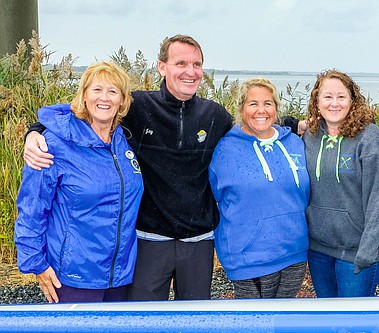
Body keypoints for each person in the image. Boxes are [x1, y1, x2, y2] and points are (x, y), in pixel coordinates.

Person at [24, 35, 234, 300]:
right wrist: (35, 132)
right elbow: (79, 112)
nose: (190, 72)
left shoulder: (214, 115)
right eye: (181, 63)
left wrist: (292, 124)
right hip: (148, 239)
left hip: (198, 240)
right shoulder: (138, 107)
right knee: (139, 324)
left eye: (197, 64)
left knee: (193, 324)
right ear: (162, 67)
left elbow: (248, 132)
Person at [15, 62, 144, 303]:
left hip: (119, 277)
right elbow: (32, 207)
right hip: (74, 277)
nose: (104, 98)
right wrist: (36, 263)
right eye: (97, 90)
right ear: (84, 95)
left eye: (113, 91)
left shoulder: (123, 141)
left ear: (123, 101)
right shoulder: (53, 145)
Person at [209, 78, 310, 298]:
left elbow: (305, 194)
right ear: (241, 109)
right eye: (253, 104)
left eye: (268, 103)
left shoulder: (295, 143)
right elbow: (215, 196)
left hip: (294, 250)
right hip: (248, 257)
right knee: (255, 325)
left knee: (283, 322)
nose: (261, 110)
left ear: (276, 107)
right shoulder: (225, 149)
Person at [303, 70, 379, 297]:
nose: (334, 103)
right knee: (328, 319)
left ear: (352, 100)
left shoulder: (368, 137)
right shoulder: (311, 136)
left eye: (341, 97)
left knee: (353, 325)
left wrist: (367, 251)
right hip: (319, 249)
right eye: (327, 96)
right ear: (317, 100)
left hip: (358, 252)